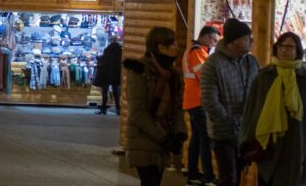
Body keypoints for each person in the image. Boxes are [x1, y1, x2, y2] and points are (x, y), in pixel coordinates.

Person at [239, 32, 306, 186]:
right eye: (281, 46)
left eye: (290, 46)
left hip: (300, 150)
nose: (284, 50)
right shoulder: (263, 78)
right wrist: (245, 145)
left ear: (298, 51)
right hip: (270, 152)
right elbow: (251, 113)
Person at [122, 26, 187, 186]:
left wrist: (179, 133)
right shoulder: (139, 71)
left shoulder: (172, 75)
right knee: (150, 181)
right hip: (143, 138)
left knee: (154, 182)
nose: (177, 49)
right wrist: (164, 137)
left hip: (162, 137)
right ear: (161, 47)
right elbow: (138, 113)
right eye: (173, 45)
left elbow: (176, 106)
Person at [199, 18, 260, 186]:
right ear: (233, 41)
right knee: (229, 178)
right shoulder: (212, 64)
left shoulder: (252, 62)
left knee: (242, 175)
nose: (251, 42)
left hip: (248, 132)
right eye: (247, 38)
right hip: (224, 134)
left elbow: (260, 93)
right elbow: (210, 101)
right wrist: (231, 124)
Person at [183, 25, 220, 186]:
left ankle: (193, 174)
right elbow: (203, 76)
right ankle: (208, 176)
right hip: (198, 101)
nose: (214, 43)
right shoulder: (197, 53)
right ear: (205, 37)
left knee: (197, 140)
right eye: (214, 40)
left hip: (194, 101)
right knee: (205, 140)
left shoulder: (195, 51)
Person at [94, 36, 122, 115]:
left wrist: (98, 58)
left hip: (106, 72)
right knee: (115, 91)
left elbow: (105, 60)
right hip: (116, 72)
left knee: (105, 91)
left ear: (111, 41)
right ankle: (118, 109)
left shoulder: (107, 49)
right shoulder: (120, 50)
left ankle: (103, 108)